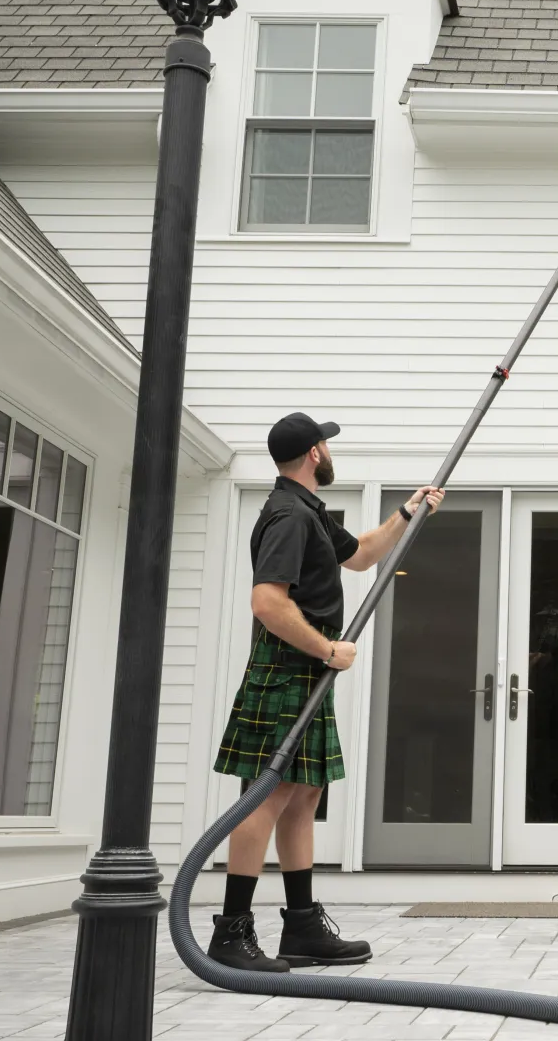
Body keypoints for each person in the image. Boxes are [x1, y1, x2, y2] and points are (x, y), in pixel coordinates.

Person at [206, 412, 443, 971]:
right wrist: (326, 649)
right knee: (264, 797)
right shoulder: (287, 515)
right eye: (326, 444)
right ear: (315, 453)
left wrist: (407, 512)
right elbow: (267, 601)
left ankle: (302, 927)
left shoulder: (307, 511)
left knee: (302, 795)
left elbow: (360, 555)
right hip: (288, 666)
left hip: (305, 668)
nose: (330, 452)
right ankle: (231, 934)